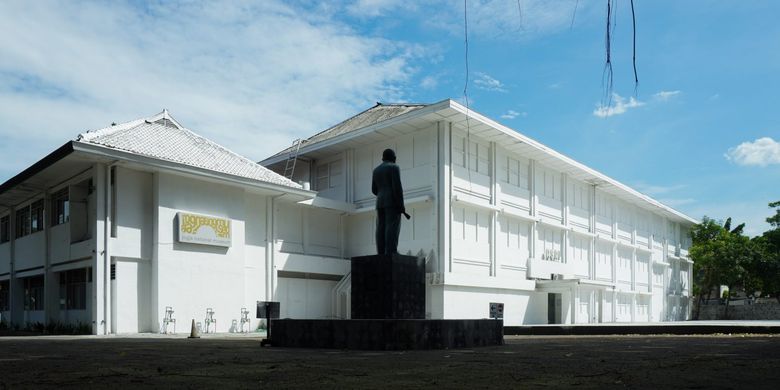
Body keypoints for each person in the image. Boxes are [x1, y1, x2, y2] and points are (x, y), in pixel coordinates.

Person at [371, 149, 410, 255]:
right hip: (392, 202)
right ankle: (391, 251)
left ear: (383, 158)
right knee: (391, 227)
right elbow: (397, 188)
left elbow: (374, 190)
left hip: (379, 203)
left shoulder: (376, 170)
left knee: (380, 227)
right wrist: (401, 205)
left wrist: (382, 194)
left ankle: (381, 252)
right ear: (393, 158)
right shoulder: (394, 167)